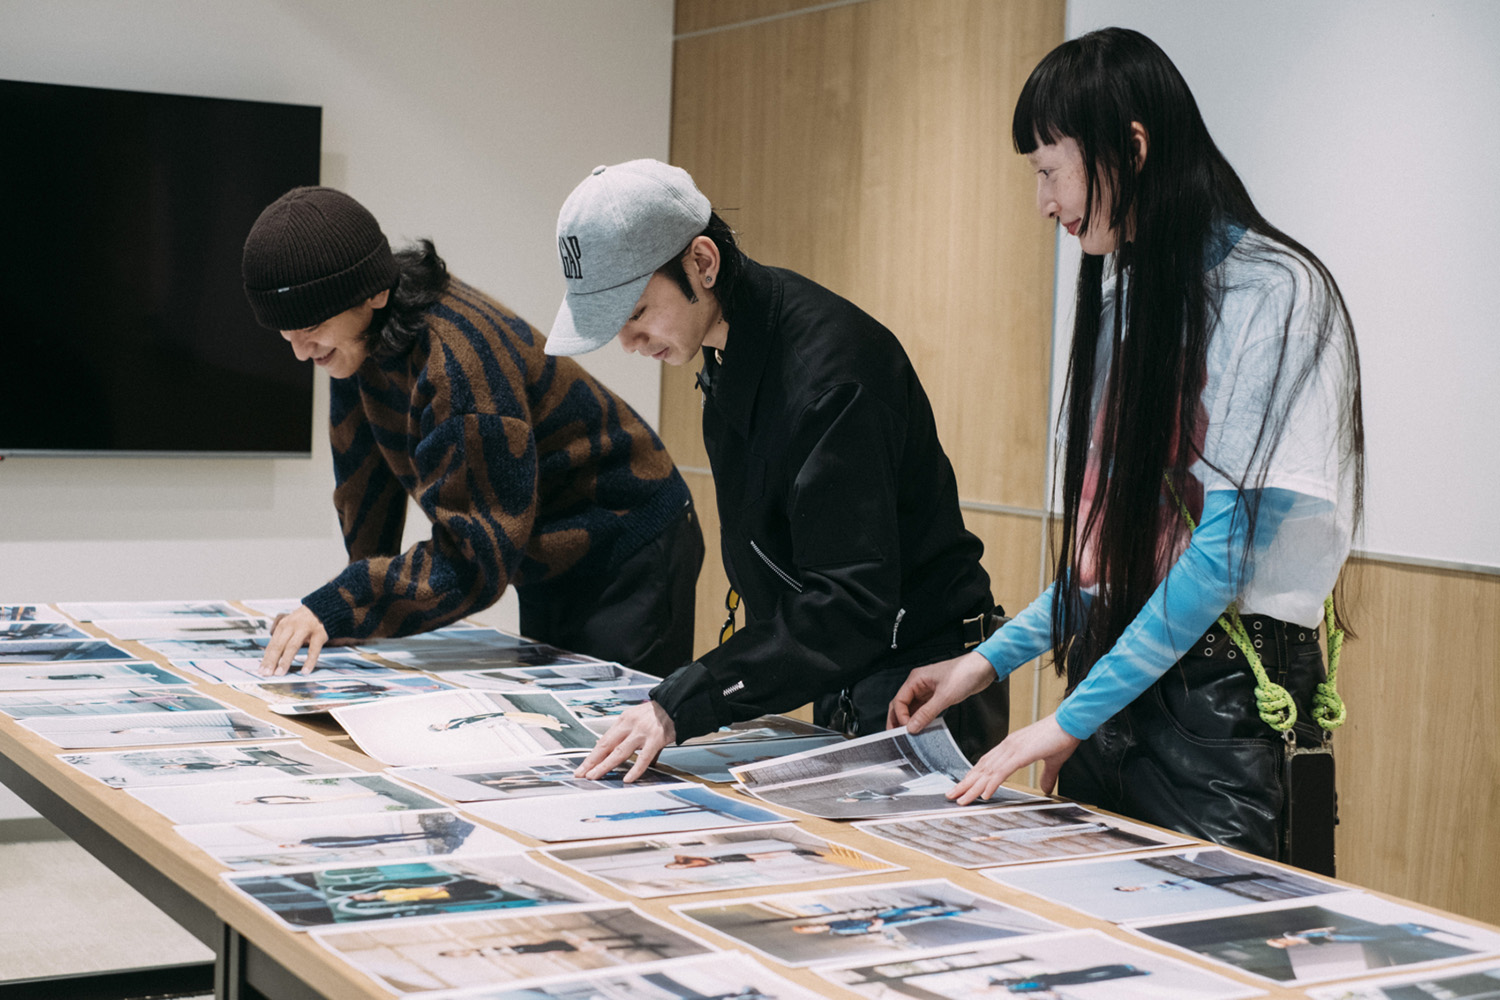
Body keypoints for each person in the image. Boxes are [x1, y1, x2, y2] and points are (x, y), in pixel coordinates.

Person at [890, 28, 1364, 869]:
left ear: (1132, 149)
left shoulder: (1275, 291)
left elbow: (1218, 556)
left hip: (1218, 710)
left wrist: (1069, 718)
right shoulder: (1131, 293)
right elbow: (1110, 561)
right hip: (1118, 688)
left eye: (1050, 170)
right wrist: (985, 664)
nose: (1043, 202)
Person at [545, 159, 1010, 779]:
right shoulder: (727, 351)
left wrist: (684, 701)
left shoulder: (829, 376)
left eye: (634, 313)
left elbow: (850, 601)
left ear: (702, 263)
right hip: (844, 663)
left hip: (923, 678)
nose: (628, 343)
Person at [240, 186, 703, 677]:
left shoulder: (458, 366)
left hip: (628, 544)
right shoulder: (354, 345)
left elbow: (474, 557)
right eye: (285, 333)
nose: (300, 352)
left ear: (373, 294)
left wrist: (344, 603)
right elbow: (364, 485)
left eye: (310, 327)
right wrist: (349, 614)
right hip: (549, 552)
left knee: (618, 720)